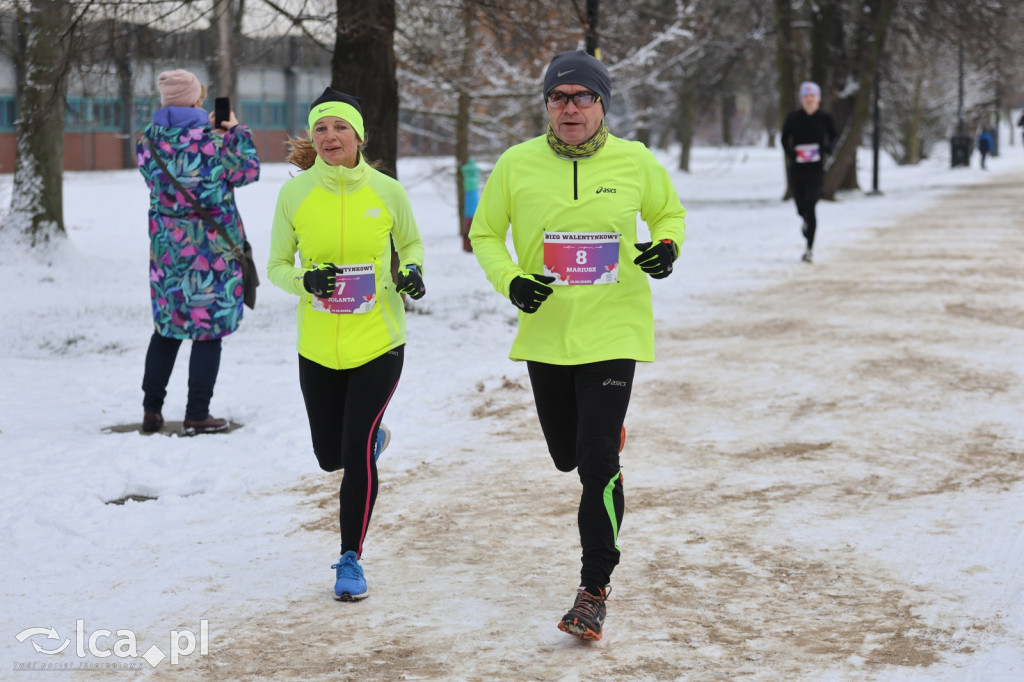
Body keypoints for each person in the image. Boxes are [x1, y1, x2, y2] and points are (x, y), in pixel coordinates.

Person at [468, 50, 685, 641]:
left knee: (596, 466)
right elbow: (485, 233)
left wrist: (665, 248)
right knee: (567, 454)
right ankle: (599, 438)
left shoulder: (635, 160)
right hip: (546, 334)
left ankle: (593, 589)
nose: (570, 107)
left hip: (614, 329)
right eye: (559, 97)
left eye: (582, 97)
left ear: (601, 104)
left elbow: (669, 215)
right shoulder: (517, 165)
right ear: (546, 105)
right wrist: (511, 280)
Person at [268, 88, 425, 601]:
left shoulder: (387, 191)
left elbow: (411, 244)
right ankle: (369, 442)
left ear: (359, 135)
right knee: (328, 456)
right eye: (320, 129)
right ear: (312, 139)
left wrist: (413, 273)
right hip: (317, 345)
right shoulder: (294, 195)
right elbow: (276, 266)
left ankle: (350, 559)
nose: (330, 137)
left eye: (340, 128)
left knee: (354, 451)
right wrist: (305, 283)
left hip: (379, 341)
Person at [137, 69, 260, 436]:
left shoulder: (147, 141)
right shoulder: (216, 142)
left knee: (167, 329)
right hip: (212, 255)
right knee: (207, 331)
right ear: (195, 100)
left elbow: (154, 179)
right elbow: (248, 172)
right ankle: (197, 412)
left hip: (168, 254)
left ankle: (151, 409)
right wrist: (234, 131)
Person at [781, 81, 838, 264]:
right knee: (801, 208)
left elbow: (834, 135)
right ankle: (805, 220)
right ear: (801, 99)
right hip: (797, 169)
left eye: (812, 96)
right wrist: (791, 154)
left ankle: (809, 249)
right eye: (805, 97)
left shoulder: (825, 118)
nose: (809, 100)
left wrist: (827, 149)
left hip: (815, 169)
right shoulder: (793, 118)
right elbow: (784, 138)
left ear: (818, 99)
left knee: (811, 204)